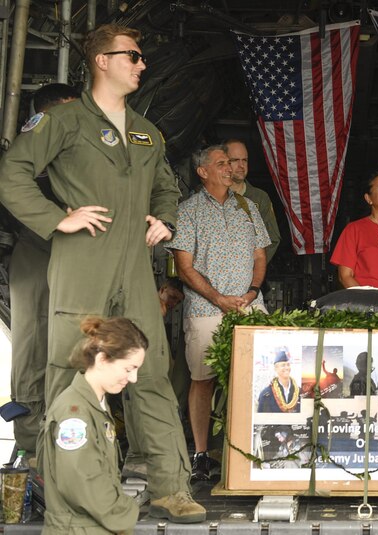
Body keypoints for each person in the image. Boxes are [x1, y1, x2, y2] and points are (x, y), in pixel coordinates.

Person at [0, 24, 205, 522]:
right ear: (101, 61)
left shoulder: (146, 130)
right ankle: (65, 490)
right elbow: (12, 174)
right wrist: (56, 220)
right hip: (81, 260)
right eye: (131, 56)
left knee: (150, 373)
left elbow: (166, 186)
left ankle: (170, 487)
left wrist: (166, 219)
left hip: (134, 268)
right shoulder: (63, 121)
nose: (140, 64)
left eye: (140, 56)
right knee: (70, 371)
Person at [167, 144, 271, 480]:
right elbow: (184, 267)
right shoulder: (189, 210)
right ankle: (200, 453)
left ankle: (259, 448)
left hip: (249, 305)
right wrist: (218, 297)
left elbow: (259, 256)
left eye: (230, 163)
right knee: (203, 380)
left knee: (260, 378)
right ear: (203, 172)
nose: (229, 168)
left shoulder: (248, 207)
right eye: (221, 163)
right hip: (205, 308)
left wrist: (252, 292)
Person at [7, 83, 79, 456]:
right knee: (32, 342)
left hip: (82, 252)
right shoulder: (32, 145)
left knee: (81, 343)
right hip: (38, 246)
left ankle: (74, 436)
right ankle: (33, 444)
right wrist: (58, 217)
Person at [41, 317, 146, 533]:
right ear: (102, 359)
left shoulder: (96, 406)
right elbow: (83, 480)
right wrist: (126, 513)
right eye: (128, 368)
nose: (133, 378)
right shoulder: (75, 414)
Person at [225, 139, 281, 263]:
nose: (241, 165)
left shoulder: (259, 198)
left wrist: (253, 270)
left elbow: (272, 239)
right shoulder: (209, 195)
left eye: (245, 160)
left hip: (248, 276)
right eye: (235, 160)